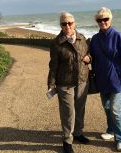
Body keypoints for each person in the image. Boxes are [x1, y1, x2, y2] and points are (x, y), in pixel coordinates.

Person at [90, 7, 121, 152]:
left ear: (110, 19)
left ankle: (120, 139)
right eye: (100, 20)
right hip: (101, 79)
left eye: (105, 19)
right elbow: (92, 56)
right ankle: (110, 130)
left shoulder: (118, 36)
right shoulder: (95, 39)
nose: (103, 22)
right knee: (107, 107)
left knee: (115, 109)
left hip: (116, 80)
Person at [47, 12, 91, 153]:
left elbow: (89, 53)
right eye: (64, 23)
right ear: (60, 25)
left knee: (80, 109)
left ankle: (78, 133)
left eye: (70, 23)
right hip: (64, 83)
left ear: (74, 23)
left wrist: (89, 58)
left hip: (82, 80)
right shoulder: (56, 43)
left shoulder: (82, 38)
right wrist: (51, 85)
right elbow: (53, 65)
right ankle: (67, 140)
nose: (67, 26)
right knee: (68, 113)